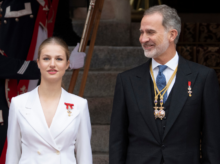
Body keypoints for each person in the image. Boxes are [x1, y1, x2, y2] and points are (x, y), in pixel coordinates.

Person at [109, 5, 220, 164]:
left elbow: (213, 142)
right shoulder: (127, 80)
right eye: (141, 32)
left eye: (150, 32)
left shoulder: (203, 77)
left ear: (172, 34)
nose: (143, 39)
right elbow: (117, 141)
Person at [5, 37, 92, 164]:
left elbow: (85, 156)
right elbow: (12, 154)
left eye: (59, 59)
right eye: (46, 58)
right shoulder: (18, 103)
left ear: (67, 64)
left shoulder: (80, 104)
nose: (52, 64)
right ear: (38, 63)